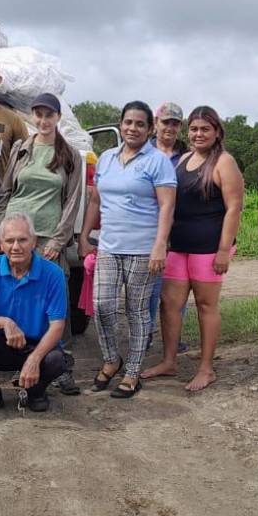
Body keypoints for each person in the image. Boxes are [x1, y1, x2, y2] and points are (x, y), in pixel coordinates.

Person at [79, 101, 176, 398]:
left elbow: (167, 205)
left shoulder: (157, 160)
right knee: (102, 306)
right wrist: (85, 235)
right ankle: (112, 360)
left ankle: (132, 371)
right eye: (128, 122)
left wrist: (160, 245)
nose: (132, 128)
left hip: (143, 249)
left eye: (140, 124)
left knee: (136, 311)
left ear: (149, 129)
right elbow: (95, 200)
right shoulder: (106, 158)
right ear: (120, 124)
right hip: (109, 245)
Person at [143, 106, 244, 391]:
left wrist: (224, 250)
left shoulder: (225, 162)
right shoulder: (183, 159)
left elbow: (234, 208)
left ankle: (206, 368)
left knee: (205, 306)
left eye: (205, 129)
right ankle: (169, 361)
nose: (199, 134)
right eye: (195, 129)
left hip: (209, 249)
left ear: (216, 132)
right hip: (178, 246)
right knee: (170, 305)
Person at [0, 93, 83, 395]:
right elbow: (6, 193)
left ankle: (62, 366)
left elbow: (71, 201)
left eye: (49, 115)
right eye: (38, 115)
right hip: (16, 235)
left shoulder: (69, 155)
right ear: (32, 117)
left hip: (47, 237)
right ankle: (23, 361)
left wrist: (59, 239)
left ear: (58, 118)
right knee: (18, 296)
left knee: (57, 301)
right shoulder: (21, 149)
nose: (43, 121)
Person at [0, 213, 69, 421]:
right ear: (1, 244)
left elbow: (57, 325)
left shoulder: (52, 273)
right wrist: (5, 322)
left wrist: (34, 359)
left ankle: (35, 392)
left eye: (22, 239)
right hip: (1, 342)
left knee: (56, 360)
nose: (16, 247)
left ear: (34, 242)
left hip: (36, 344)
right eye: (9, 241)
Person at [149, 102, 189, 352]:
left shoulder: (187, 154)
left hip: (181, 227)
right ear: (156, 123)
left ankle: (172, 340)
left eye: (175, 123)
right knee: (149, 288)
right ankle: (145, 336)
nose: (170, 127)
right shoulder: (143, 150)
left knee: (177, 289)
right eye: (166, 122)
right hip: (148, 226)